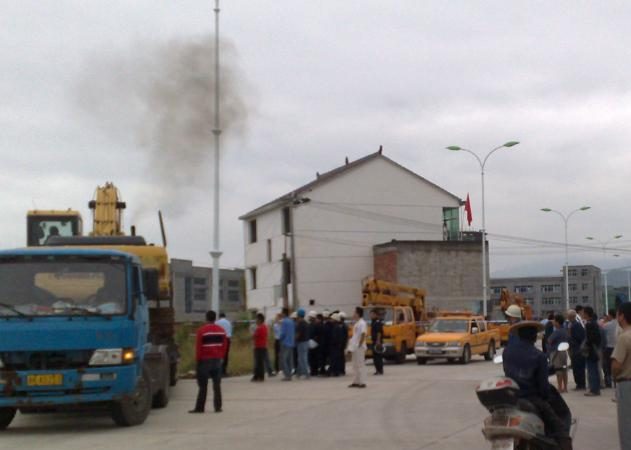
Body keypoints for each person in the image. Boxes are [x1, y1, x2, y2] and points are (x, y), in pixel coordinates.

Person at [503, 321, 573, 449]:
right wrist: (545, 396)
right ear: (535, 337)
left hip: (512, 398)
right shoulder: (538, 355)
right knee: (560, 428)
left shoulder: (507, 352)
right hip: (532, 399)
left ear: (518, 335)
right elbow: (543, 388)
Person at [190, 310, 227, 414]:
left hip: (204, 361)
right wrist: (221, 356)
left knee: (203, 386)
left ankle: (200, 407)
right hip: (217, 361)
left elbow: (198, 347)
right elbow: (224, 345)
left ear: (206, 318)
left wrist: (197, 361)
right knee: (217, 385)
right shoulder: (221, 330)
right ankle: (218, 407)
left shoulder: (202, 331)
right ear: (215, 318)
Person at [612, 302, 631, 450]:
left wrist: (614, 375)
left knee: (627, 425)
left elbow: (617, 365)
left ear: (622, 316)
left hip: (627, 384)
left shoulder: (624, 337)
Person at [547, 314, 569, 393]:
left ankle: (560, 387)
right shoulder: (565, 330)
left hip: (557, 353)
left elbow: (549, 340)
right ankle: (565, 387)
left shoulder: (557, 331)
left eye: (554, 321)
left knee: (558, 371)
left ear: (557, 322)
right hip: (564, 352)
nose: (553, 322)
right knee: (564, 370)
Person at [583, 306, 602, 396]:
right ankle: (596, 388)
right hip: (595, 349)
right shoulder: (595, 323)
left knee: (592, 370)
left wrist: (586, 345)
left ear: (586, 314)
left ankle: (593, 390)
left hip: (591, 351)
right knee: (595, 370)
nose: (582, 314)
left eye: (583, 313)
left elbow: (590, 338)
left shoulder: (589, 324)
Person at [347, 306, 367, 388]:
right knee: (354, 364)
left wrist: (360, 344)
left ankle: (362, 382)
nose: (353, 314)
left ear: (358, 313)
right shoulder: (357, 323)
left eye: (354, 312)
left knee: (360, 364)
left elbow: (363, 334)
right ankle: (356, 381)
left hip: (359, 346)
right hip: (354, 346)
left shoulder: (362, 323)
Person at [567, 309, 586, 391]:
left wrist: (571, 340)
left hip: (577, 349)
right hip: (575, 349)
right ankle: (579, 383)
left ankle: (580, 384)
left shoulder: (576, 325)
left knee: (578, 367)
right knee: (576, 367)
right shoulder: (573, 325)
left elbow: (580, 337)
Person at [279, 308, 295, 381]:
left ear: (284, 313)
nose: (281, 314)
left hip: (285, 342)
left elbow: (283, 333)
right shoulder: (291, 321)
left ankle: (287, 375)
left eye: (282, 313)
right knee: (289, 359)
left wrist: (280, 338)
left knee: (284, 359)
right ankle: (290, 374)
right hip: (291, 342)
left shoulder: (284, 322)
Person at [603, 308, 618, 389]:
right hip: (617, 347)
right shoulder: (619, 324)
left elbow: (602, 333)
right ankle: (616, 383)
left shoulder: (607, 325)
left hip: (608, 347)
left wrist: (605, 321)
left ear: (610, 315)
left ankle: (608, 382)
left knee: (607, 366)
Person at [252, 313, 268, 382]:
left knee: (258, 362)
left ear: (260, 320)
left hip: (259, 347)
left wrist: (253, 333)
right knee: (260, 362)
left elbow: (254, 336)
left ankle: (258, 376)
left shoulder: (260, 328)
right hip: (263, 346)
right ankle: (259, 376)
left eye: (257, 319)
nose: (256, 321)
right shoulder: (265, 327)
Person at [216, 312, 233, 376]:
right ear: (225, 316)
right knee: (226, 356)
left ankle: (218, 370)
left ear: (219, 316)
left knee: (218, 355)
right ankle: (224, 371)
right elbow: (231, 332)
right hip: (227, 339)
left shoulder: (217, 322)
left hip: (220, 339)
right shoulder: (229, 322)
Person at [295, 308, 310, 379]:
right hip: (306, 342)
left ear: (299, 315)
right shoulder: (306, 323)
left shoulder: (300, 324)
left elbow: (298, 334)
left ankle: (306, 373)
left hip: (301, 342)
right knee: (303, 358)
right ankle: (299, 373)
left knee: (302, 359)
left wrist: (294, 339)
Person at [370, 309, 385, 375]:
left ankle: (380, 370)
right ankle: (377, 370)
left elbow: (379, 332)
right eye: (370, 314)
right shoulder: (373, 322)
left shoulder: (377, 322)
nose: (371, 315)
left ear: (375, 315)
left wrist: (378, 341)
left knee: (378, 357)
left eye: (372, 314)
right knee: (375, 357)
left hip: (377, 342)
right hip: (374, 341)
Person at [308, 311, 322, 376]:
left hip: (315, 343)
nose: (309, 318)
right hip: (311, 343)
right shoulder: (311, 324)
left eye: (310, 317)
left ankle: (314, 371)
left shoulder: (316, 325)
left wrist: (314, 340)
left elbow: (318, 334)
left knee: (314, 358)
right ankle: (313, 370)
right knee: (312, 358)